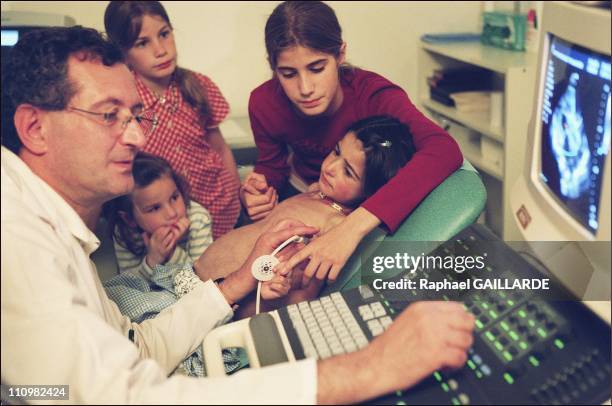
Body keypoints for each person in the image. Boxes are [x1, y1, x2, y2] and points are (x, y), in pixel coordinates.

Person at [1, 26, 474, 404]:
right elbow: (120, 396)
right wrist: (372, 367)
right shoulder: (17, 243)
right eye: (109, 116)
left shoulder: (48, 223)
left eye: (134, 117)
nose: (138, 139)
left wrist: (237, 284)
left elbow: (132, 348)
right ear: (34, 128)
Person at [242, 1, 464, 287]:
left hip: (360, 207)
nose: (305, 88)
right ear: (273, 68)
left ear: (340, 55)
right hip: (301, 196)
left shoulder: (374, 96)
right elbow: (271, 166)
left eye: (317, 68)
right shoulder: (263, 102)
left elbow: (444, 150)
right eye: (288, 74)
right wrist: (260, 190)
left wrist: (352, 227)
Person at [196, 115, 417, 316]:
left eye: (348, 172)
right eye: (336, 151)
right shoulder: (316, 192)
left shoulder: (335, 229)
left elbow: (303, 300)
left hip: (216, 307)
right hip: (191, 278)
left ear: (371, 193)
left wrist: (274, 296)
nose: (330, 167)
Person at [104, 1, 240, 239]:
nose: (161, 50)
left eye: (164, 34)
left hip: (220, 209)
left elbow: (219, 148)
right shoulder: (125, 105)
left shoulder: (199, 86)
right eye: (143, 43)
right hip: (167, 221)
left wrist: (236, 192)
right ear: (123, 53)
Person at [104, 151, 213, 277]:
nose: (172, 213)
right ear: (129, 219)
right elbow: (129, 287)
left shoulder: (198, 219)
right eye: (155, 208)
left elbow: (202, 280)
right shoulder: (124, 231)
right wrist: (153, 260)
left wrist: (172, 253)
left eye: (174, 197)